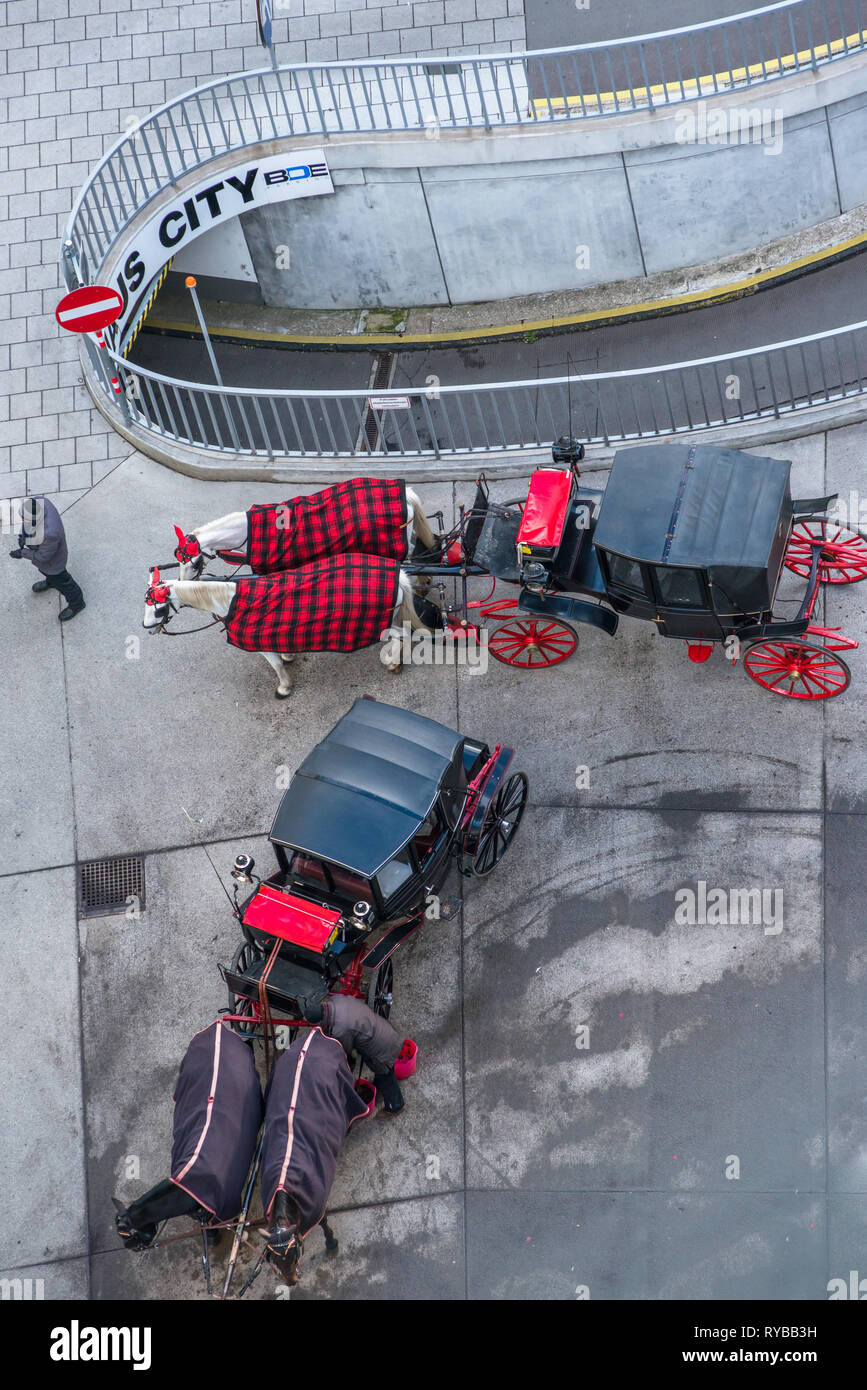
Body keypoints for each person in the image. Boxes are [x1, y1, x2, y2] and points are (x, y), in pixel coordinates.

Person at [302, 990, 406, 1114]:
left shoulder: (340, 1029)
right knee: (382, 1072)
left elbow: (344, 1052)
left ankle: (395, 1107)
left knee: (385, 1075)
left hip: (380, 1048)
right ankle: (379, 1085)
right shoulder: (336, 999)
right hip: (382, 1029)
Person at [8, 496, 85, 620]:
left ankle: (77, 603)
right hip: (46, 561)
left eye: (24, 519)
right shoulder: (41, 502)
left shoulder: (49, 533)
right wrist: (23, 536)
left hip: (53, 564)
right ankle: (51, 582)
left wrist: (22, 553)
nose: (22, 520)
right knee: (50, 576)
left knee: (64, 582)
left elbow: (43, 557)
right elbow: (28, 525)